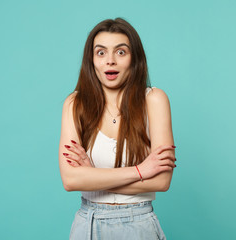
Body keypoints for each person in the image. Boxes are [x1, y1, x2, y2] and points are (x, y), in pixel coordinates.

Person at [59, 18, 176, 240]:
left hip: (138, 224)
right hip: (88, 225)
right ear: (91, 60)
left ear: (134, 59)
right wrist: (140, 171)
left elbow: (161, 181)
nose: (110, 61)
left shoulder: (154, 100)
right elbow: (71, 180)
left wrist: (93, 176)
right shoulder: (75, 104)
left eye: (120, 52)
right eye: (101, 53)